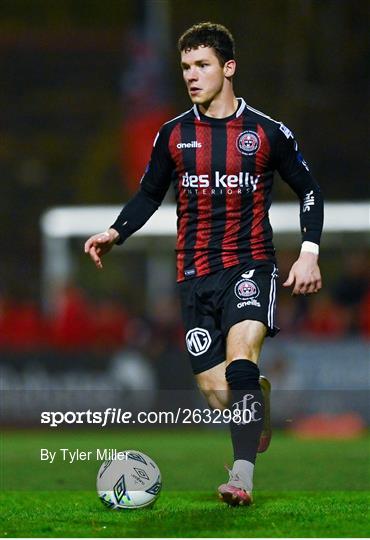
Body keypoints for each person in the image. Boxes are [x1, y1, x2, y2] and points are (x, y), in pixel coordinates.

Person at [85, 22, 323, 506]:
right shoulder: (173, 135)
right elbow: (150, 193)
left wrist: (309, 252)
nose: (192, 76)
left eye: (202, 65)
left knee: (240, 358)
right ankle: (256, 396)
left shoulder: (266, 132)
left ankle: (241, 478)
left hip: (250, 264)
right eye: (186, 67)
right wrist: (116, 231)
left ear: (228, 68)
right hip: (193, 274)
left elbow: (309, 190)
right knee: (219, 392)